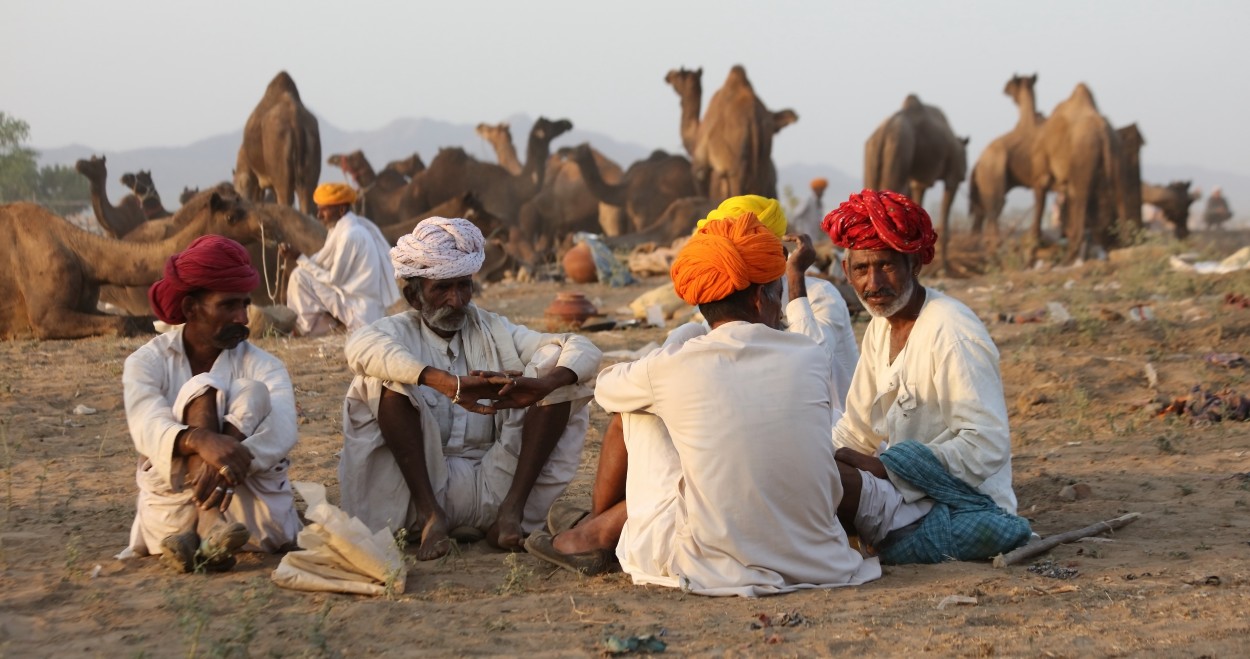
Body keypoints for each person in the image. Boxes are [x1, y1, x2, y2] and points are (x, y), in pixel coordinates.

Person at [525, 214, 880, 596]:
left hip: (713, 567)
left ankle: (594, 531)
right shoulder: (809, 353)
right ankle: (598, 526)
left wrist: (663, 359)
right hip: (821, 559)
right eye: (778, 293)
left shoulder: (674, 365)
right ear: (762, 298)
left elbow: (608, 390)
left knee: (633, 409)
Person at [339, 216, 602, 559]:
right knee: (380, 380)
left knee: (559, 368)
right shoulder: (395, 332)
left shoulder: (492, 328)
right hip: (412, 492)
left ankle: (511, 515)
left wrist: (543, 385)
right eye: (442, 289)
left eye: (464, 286)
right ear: (413, 296)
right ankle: (431, 515)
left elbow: (583, 348)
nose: (457, 300)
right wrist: (447, 383)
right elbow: (358, 347)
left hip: (496, 482)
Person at [823, 189, 1031, 564]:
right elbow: (856, 430)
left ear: (914, 264)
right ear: (845, 271)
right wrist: (812, 457)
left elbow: (986, 444)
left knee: (828, 485)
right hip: (904, 496)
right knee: (810, 474)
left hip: (963, 501)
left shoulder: (951, 330)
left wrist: (890, 469)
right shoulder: (880, 326)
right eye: (861, 269)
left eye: (886, 265)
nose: (873, 283)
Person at [120, 235, 302, 573]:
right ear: (190, 308)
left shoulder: (266, 365)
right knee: (201, 388)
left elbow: (283, 431)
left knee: (252, 391)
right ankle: (207, 524)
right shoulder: (146, 362)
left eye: (245, 305)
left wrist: (221, 457)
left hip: (253, 516)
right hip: (174, 516)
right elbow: (145, 425)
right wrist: (200, 440)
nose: (243, 318)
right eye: (228, 306)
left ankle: (208, 528)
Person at [280, 182, 400, 336]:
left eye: (324, 210)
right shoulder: (343, 230)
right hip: (356, 302)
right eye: (318, 210)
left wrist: (300, 258)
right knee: (302, 273)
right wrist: (297, 256)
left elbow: (333, 279)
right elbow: (321, 263)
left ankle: (306, 329)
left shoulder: (351, 235)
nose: (319, 216)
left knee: (299, 277)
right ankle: (318, 325)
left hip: (360, 310)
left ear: (341, 210)